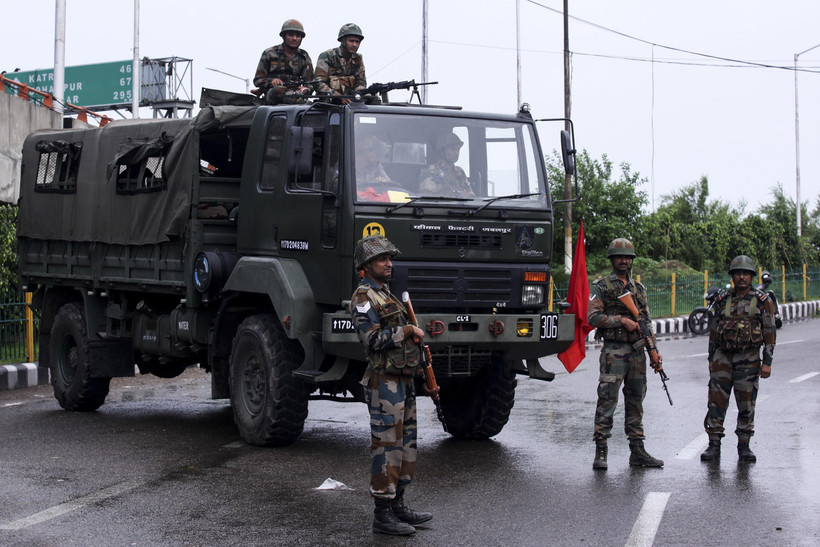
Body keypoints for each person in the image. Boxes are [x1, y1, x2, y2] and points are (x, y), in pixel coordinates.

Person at [349, 235, 437, 536]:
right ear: (367, 264)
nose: (389, 263)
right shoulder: (364, 297)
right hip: (382, 382)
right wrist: (406, 330)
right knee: (386, 446)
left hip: (402, 381)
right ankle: (382, 515)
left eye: (390, 258)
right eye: (382, 259)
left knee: (407, 444)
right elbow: (371, 339)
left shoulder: (388, 294)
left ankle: (399, 504)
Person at [588, 238, 665, 470]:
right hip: (614, 350)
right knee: (607, 399)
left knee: (636, 401)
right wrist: (621, 320)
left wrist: (654, 351)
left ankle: (637, 451)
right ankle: (601, 450)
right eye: (619, 257)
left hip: (638, 351)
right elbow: (592, 318)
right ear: (612, 259)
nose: (623, 261)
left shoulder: (638, 288)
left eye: (627, 257)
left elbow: (646, 321)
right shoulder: (601, 286)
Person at [700, 255, 776, 463]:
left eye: (745, 273)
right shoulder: (722, 300)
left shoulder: (762, 301)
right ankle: (714, 445)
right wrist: (711, 358)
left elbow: (769, 333)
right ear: (732, 276)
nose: (741, 277)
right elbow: (714, 331)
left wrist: (767, 362)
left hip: (749, 359)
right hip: (722, 358)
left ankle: (744, 446)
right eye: (737, 273)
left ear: (751, 276)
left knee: (746, 403)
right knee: (716, 402)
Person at [253, 19, 314, 105]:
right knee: (279, 90)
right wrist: (272, 81)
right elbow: (258, 80)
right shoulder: (270, 53)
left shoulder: (304, 56)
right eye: (291, 35)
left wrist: (305, 90)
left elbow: (310, 83)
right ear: (283, 36)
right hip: (273, 94)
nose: (294, 38)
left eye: (298, 36)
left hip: (296, 93)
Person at [314, 23, 368, 104]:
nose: (354, 45)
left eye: (357, 42)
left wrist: (357, 93)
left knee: (372, 98)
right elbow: (318, 83)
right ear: (342, 41)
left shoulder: (358, 59)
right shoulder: (327, 56)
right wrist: (337, 96)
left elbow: (361, 82)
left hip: (351, 101)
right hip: (329, 102)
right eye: (351, 41)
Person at [418, 132, 475, 198]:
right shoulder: (433, 170)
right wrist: (456, 194)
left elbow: (471, 195)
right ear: (442, 151)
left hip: (462, 208)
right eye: (453, 149)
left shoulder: (460, 171)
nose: (456, 153)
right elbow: (427, 195)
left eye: (458, 149)